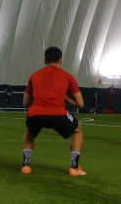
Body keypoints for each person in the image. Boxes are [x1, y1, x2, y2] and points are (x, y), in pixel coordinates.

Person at [21, 47, 86, 176]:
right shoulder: (68, 77)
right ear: (61, 60)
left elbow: (25, 103)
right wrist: (65, 97)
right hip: (58, 114)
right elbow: (80, 104)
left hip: (36, 113)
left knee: (29, 131)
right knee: (77, 129)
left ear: (45, 60)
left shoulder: (34, 76)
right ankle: (74, 167)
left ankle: (26, 165)